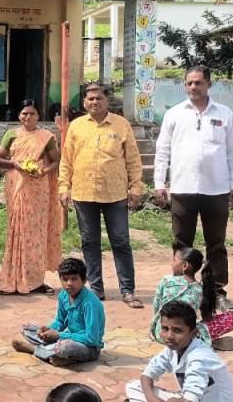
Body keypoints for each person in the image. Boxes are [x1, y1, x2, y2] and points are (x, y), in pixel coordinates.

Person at [153, 66, 233, 311]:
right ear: (185, 86)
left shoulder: (224, 114)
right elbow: (162, 151)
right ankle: (182, 288)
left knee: (216, 244)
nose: (193, 87)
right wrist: (159, 183)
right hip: (182, 188)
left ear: (209, 84)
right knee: (182, 244)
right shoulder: (174, 114)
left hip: (217, 189)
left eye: (198, 82)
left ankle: (217, 292)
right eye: (189, 83)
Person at [57, 83, 145, 308]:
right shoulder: (76, 126)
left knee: (121, 241)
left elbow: (133, 159)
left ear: (107, 101)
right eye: (90, 98)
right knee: (89, 242)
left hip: (115, 193)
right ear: (84, 102)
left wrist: (136, 188)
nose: (94, 102)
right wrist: (64, 187)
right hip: (84, 193)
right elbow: (66, 160)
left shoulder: (121, 124)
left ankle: (128, 290)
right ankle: (96, 289)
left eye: (99, 98)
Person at [0, 99, 62, 295]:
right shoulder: (11, 134)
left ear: (38, 116)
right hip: (16, 186)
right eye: (24, 113)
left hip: (38, 188)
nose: (28, 117)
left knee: (36, 234)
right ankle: (11, 280)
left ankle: (36, 280)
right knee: (17, 231)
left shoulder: (46, 137)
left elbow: (56, 161)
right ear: (19, 115)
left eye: (32, 113)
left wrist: (43, 171)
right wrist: (14, 164)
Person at [126, 301, 233, 402]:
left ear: (193, 333)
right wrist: (152, 398)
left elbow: (190, 399)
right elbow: (147, 375)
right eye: (165, 329)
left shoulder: (199, 357)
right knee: (134, 386)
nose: (169, 336)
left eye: (177, 330)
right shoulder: (173, 349)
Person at [12, 258, 105, 366]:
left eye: (74, 279)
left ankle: (34, 349)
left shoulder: (90, 303)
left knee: (64, 347)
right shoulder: (63, 295)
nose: (69, 283)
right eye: (65, 279)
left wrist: (59, 335)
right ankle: (59, 357)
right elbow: (60, 321)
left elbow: (91, 339)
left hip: (88, 347)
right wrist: (48, 330)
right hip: (66, 338)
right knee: (26, 328)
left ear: (84, 280)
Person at [150, 248, 233, 348]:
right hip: (185, 335)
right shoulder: (200, 290)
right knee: (231, 319)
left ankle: (200, 342)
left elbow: (156, 304)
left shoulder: (166, 280)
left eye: (174, 260)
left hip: (161, 333)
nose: (172, 263)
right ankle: (205, 342)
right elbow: (206, 317)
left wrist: (157, 323)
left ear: (185, 265)